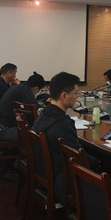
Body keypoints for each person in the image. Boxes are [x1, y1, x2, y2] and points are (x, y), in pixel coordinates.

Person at [32, 72, 98, 203]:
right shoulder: (63, 124)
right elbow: (79, 160)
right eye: (76, 93)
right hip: (65, 185)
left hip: (46, 177)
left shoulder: (44, 114)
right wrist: (97, 161)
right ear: (64, 96)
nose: (77, 96)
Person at [0, 72, 45, 141]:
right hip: (3, 130)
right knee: (37, 137)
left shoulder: (21, 87)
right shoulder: (26, 92)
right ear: (36, 88)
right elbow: (35, 110)